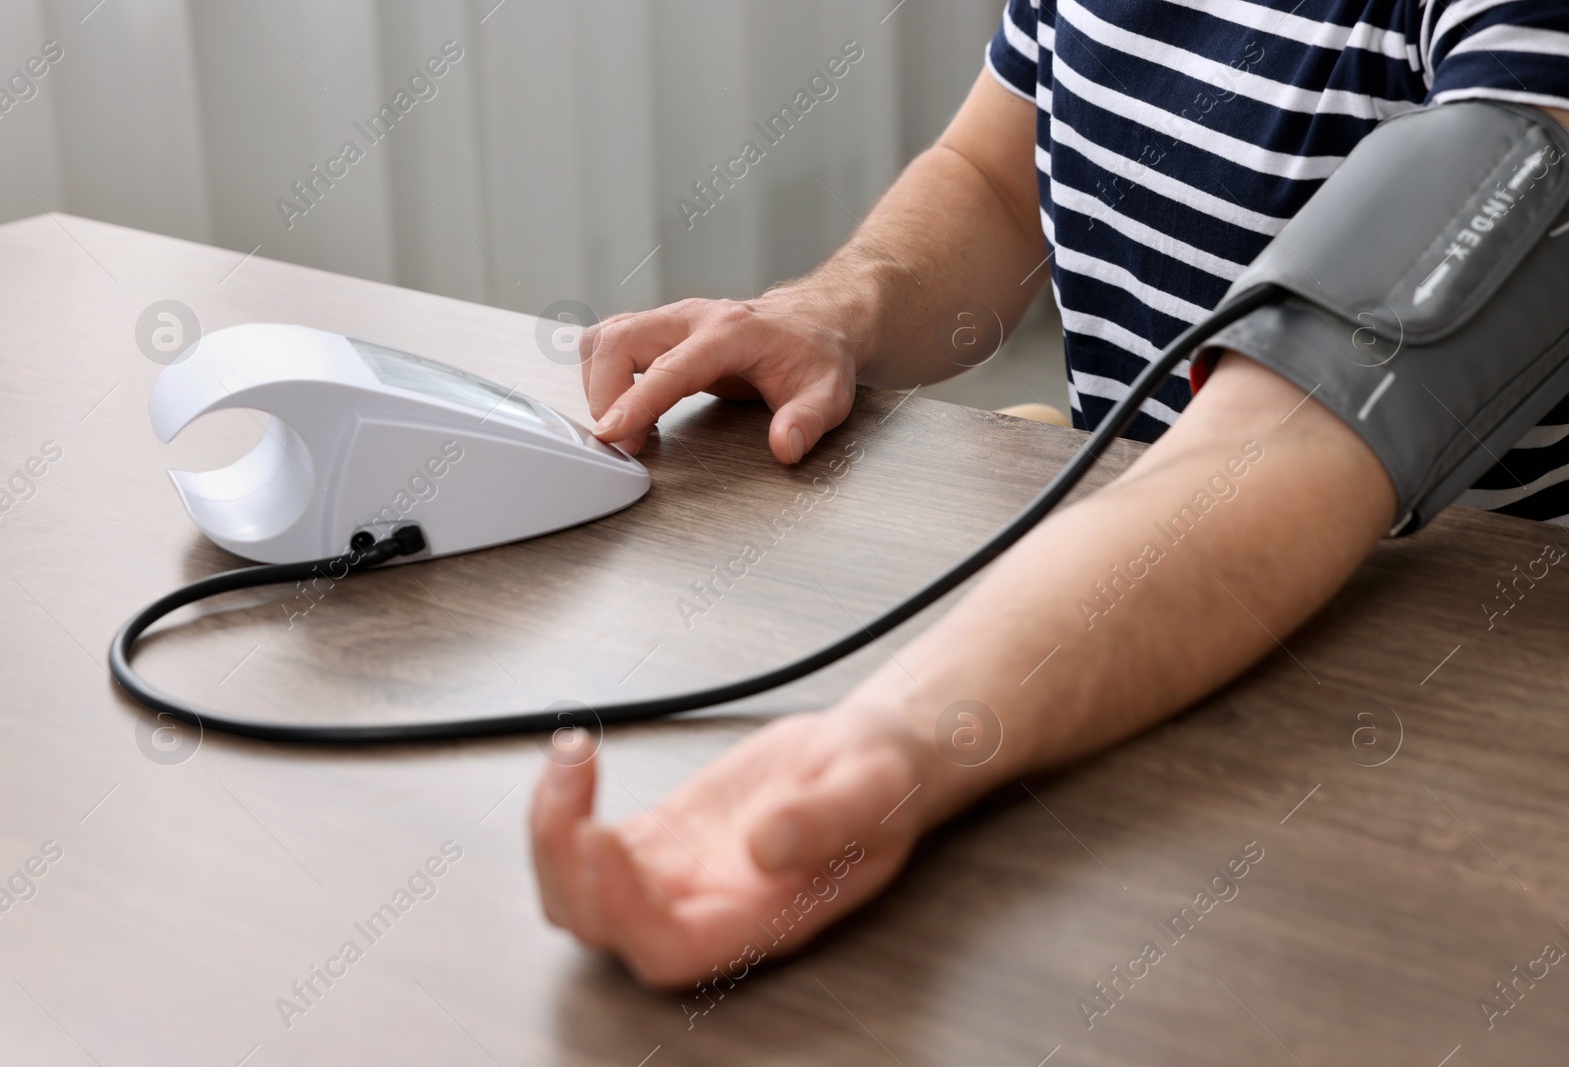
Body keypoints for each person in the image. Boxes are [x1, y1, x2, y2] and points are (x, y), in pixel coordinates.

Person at [530, 0, 1569, 987]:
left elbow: (1310, 417)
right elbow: (994, 177)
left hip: (1440, 731)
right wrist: (834, 311)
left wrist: (894, 735)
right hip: (1112, 651)